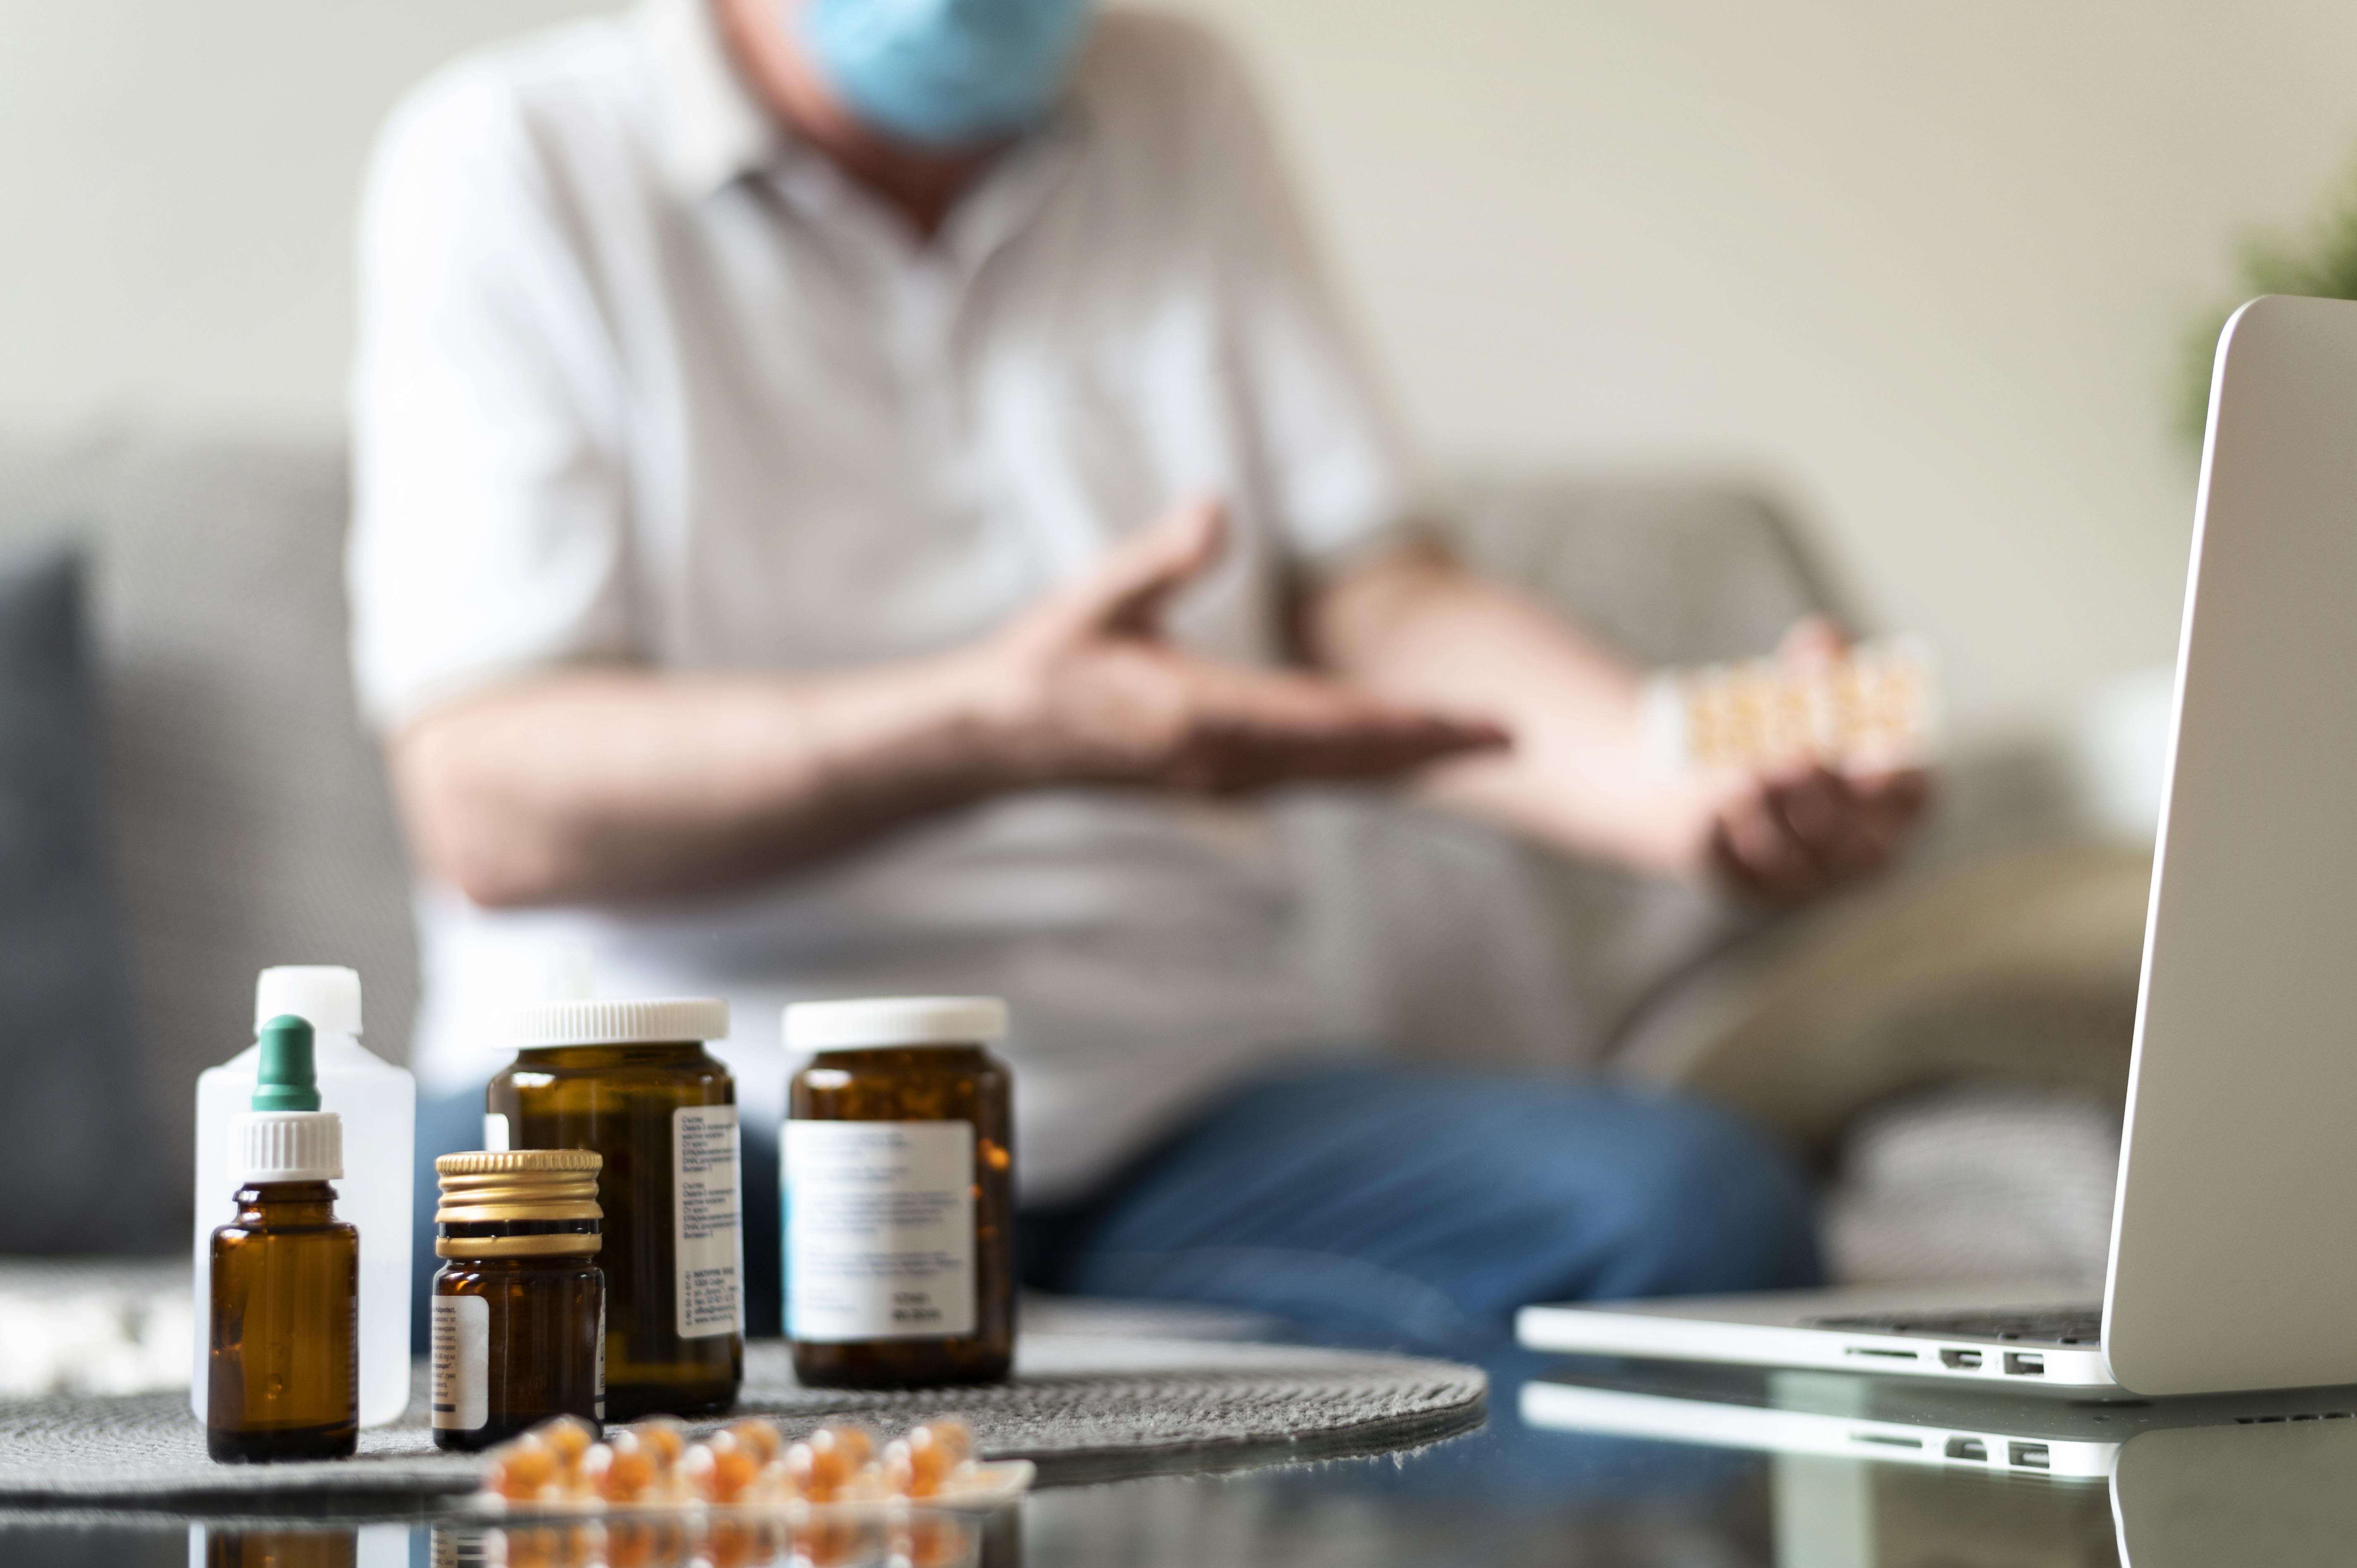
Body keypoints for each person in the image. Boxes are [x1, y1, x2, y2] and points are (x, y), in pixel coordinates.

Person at [351, 0, 1927, 1357]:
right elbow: (496, 800)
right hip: (694, 1110)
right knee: (475, 1247)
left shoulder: (1179, 104)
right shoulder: (508, 160)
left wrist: (1675, 779)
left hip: (1165, 1109)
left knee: (1682, 1213)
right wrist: (999, 728)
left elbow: (1371, 600)